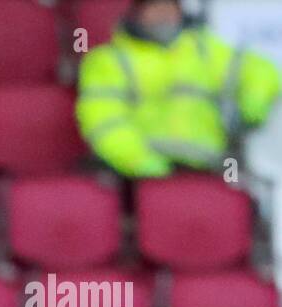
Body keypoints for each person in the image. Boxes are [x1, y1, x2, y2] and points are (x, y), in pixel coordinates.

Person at [77, 0, 281, 178]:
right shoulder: (109, 59)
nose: (163, 14)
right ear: (137, 13)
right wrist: (139, 161)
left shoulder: (204, 49)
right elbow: (103, 119)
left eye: (170, 6)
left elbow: (262, 70)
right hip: (140, 174)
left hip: (208, 168)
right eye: (155, 6)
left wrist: (255, 100)